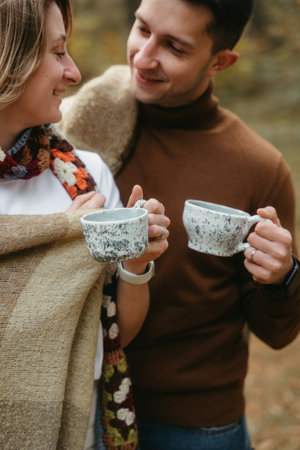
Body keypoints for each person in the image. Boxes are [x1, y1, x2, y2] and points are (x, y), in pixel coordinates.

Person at [59, 0, 300, 448]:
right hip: (81, 404)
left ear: (220, 62)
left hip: (192, 425)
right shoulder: (82, 127)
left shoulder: (260, 167)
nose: (144, 56)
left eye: (174, 46)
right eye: (142, 28)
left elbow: (277, 332)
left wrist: (283, 277)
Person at [0, 1, 170, 450]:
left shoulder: (84, 179)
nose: (74, 73)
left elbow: (113, 334)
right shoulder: (76, 207)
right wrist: (57, 239)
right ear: (7, 61)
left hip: (74, 428)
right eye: (57, 53)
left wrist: (135, 260)